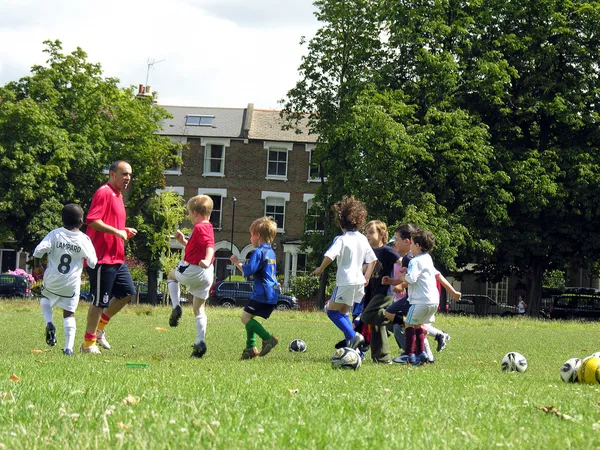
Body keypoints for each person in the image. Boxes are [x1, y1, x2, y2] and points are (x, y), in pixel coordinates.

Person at [80, 160, 138, 354]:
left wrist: (123, 230)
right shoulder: (104, 192)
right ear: (112, 174)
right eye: (124, 174)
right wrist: (117, 231)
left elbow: (110, 223)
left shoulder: (118, 195)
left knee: (127, 292)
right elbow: (93, 220)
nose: (127, 178)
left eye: (129, 174)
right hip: (101, 258)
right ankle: (88, 344)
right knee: (99, 301)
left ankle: (99, 329)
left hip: (116, 258)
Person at [33, 204, 98, 356]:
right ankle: (68, 348)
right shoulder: (84, 239)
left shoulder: (55, 234)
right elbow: (93, 263)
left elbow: (38, 250)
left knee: (45, 299)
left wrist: (37, 266)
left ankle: (49, 322)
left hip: (52, 279)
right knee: (69, 313)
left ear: (62, 220)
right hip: (71, 284)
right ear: (81, 222)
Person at [315, 196, 377, 350]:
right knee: (343, 313)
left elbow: (330, 256)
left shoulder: (342, 239)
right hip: (358, 283)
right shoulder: (362, 239)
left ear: (341, 222)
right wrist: (366, 277)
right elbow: (372, 260)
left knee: (331, 312)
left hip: (345, 282)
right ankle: (357, 351)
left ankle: (354, 336)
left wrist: (320, 269)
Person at [383, 228, 441, 365]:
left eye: (412, 243)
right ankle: (421, 354)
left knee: (408, 324)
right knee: (417, 325)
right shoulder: (428, 259)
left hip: (419, 301)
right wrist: (407, 272)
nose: (410, 247)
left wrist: (403, 276)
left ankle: (409, 354)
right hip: (432, 301)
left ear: (417, 246)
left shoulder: (415, 260)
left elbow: (412, 279)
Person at [167, 195, 215, 358]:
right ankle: (199, 342)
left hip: (195, 269)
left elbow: (209, 247)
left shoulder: (200, 227)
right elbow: (197, 248)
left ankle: (175, 306)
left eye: (189, 213)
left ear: (195, 213)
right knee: (198, 308)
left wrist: (207, 260)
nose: (189, 217)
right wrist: (183, 241)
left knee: (171, 275)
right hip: (207, 274)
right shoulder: (208, 226)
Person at [229, 216, 280, 360]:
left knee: (245, 317)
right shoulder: (271, 252)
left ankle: (268, 338)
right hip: (272, 293)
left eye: (251, 235)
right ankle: (250, 348)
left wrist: (236, 262)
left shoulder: (258, 252)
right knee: (249, 316)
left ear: (258, 235)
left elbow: (247, 271)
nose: (250, 238)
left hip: (262, 293)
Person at [360, 220, 401, 364]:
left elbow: (401, 261)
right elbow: (365, 270)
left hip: (384, 292)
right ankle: (382, 358)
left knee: (366, 316)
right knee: (376, 325)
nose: (367, 236)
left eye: (371, 232)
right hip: (373, 292)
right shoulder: (369, 252)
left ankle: (398, 319)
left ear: (382, 234)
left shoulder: (387, 251)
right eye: (366, 233)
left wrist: (406, 274)